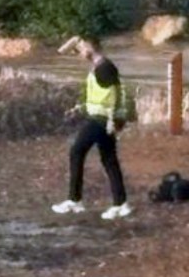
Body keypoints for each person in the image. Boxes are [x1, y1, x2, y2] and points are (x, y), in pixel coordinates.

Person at [51, 37, 132, 220]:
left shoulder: (104, 68)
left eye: (80, 50)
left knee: (76, 151)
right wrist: (81, 108)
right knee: (109, 160)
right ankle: (121, 204)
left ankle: (74, 200)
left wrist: (113, 119)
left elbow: (112, 95)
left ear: (88, 47)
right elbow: (61, 51)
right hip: (102, 118)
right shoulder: (102, 66)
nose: (78, 54)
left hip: (101, 120)